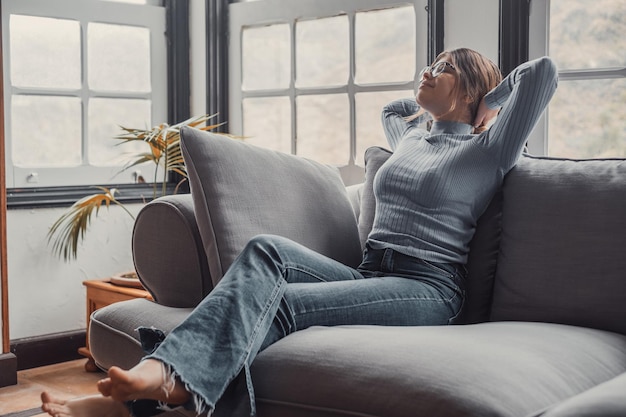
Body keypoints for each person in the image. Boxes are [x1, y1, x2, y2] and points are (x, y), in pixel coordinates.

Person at [41, 48, 558, 417]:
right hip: (371, 270)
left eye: (444, 68)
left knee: (283, 303)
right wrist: (439, 93)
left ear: (472, 89)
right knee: (267, 252)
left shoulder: (486, 152)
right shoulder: (412, 139)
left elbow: (543, 74)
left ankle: (161, 382)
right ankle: (156, 390)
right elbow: (391, 110)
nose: (428, 70)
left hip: (431, 288)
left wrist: (490, 100)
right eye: (431, 62)